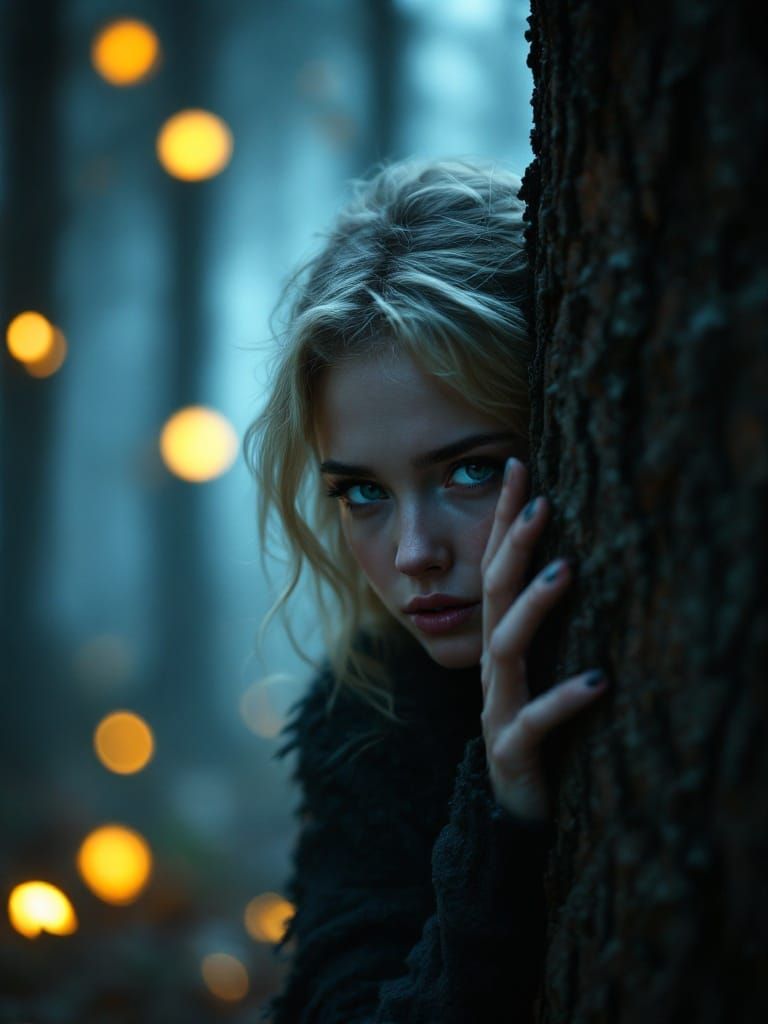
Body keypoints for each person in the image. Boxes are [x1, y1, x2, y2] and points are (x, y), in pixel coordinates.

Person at [244, 158, 609, 1023]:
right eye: (361, 492)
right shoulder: (365, 725)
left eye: (471, 471)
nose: (412, 554)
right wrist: (502, 817)